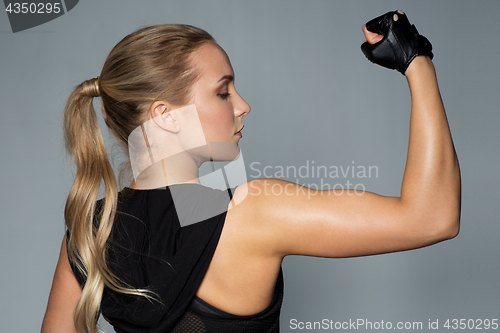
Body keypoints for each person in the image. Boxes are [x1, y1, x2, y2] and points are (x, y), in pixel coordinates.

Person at [41, 10, 461, 333]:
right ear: (165, 116)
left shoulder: (90, 231)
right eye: (223, 92)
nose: (242, 105)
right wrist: (415, 61)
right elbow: (432, 217)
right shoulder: (251, 211)